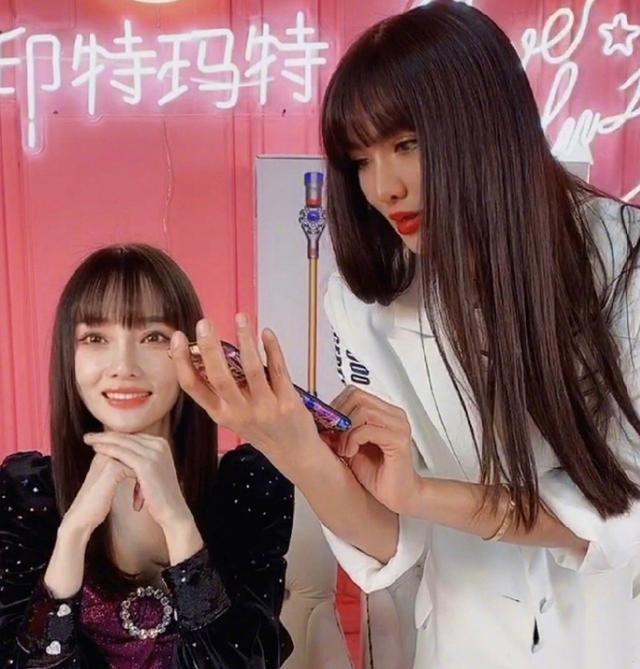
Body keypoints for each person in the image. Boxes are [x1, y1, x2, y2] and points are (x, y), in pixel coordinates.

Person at [169, 3, 640, 668]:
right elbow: (394, 544)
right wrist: (294, 445)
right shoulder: (366, 301)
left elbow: (622, 511)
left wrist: (426, 494)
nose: (382, 187)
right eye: (360, 159)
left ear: (486, 122)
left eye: (406, 145)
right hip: (463, 646)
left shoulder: (624, 262)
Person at [0, 244, 293, 668]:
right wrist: (72, 535)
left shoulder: (248, 485)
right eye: (95, 338)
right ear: (69, 356)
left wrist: (179, 525)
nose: (123, 365)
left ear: (190, 354)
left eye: (153, 337)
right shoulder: (27, 494)